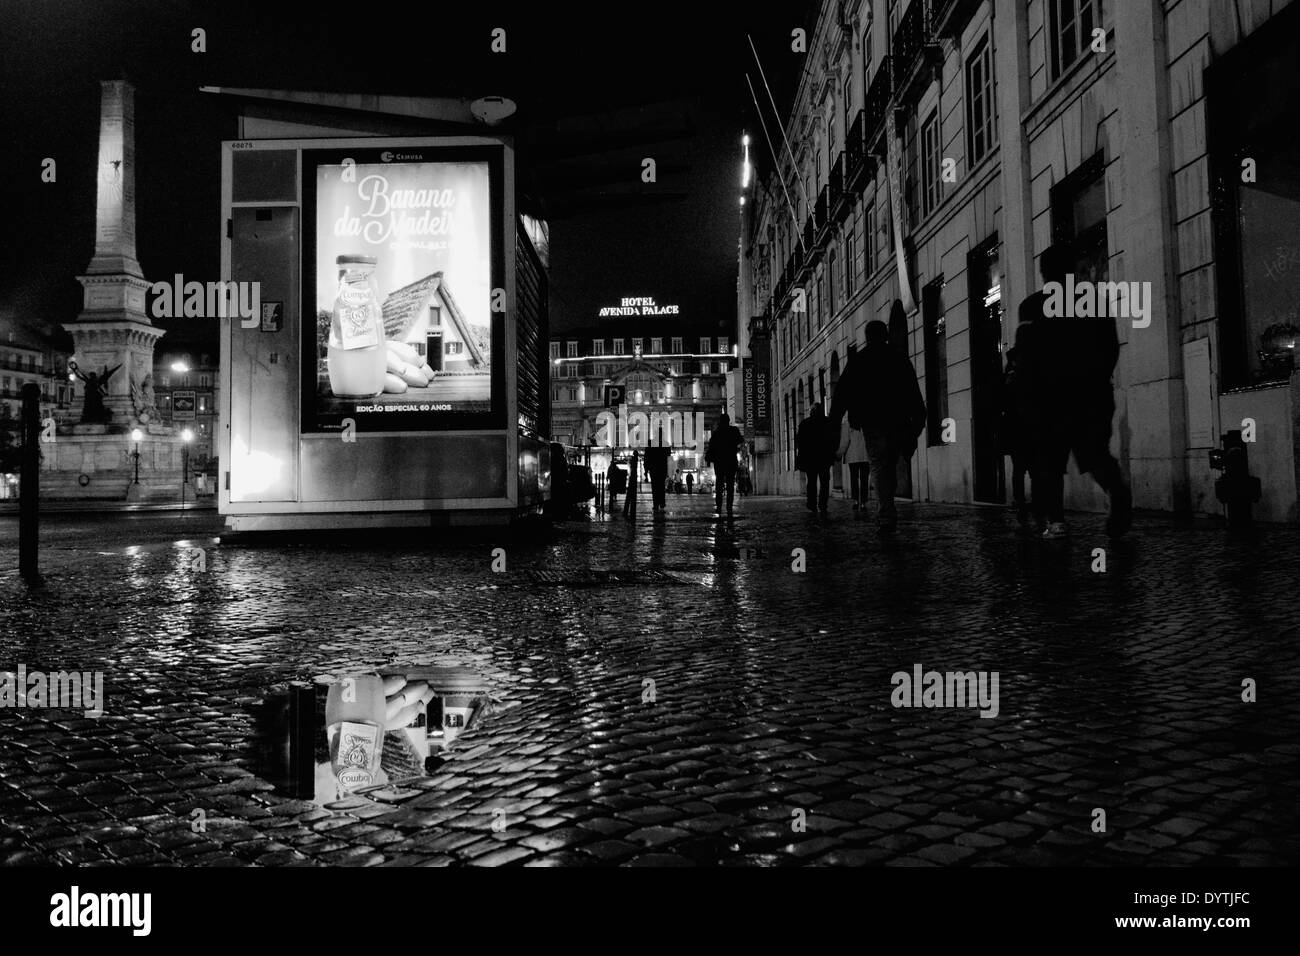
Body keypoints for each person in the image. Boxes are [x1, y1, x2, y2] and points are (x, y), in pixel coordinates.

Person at [1017, 244, 1133, 540]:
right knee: (1095, 455)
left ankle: (1056, 522)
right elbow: (1110, 348)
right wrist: (1096, 380)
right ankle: (1116, 491)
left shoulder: (1031, 306)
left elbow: (1026, 358)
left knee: (1049, 462)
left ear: (1044, 273)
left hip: (1049, 398)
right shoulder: (1094, 300)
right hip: (1091, 395)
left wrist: (1028, 397)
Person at [830, 316, 926, 532]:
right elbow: (912, 391)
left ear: (867, 337)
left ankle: (887, 510)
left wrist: (835, 421)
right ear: (885, 335)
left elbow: (842, 393)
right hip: (896, 421)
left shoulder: (859, 361)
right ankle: (887, 507)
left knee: (879, 464)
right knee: (888, 463)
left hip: (871, 422)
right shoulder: (898, 358)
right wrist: (917, 419)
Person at [999, 345, 1031, 518]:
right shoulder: (1010, 379)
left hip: (1020, 429)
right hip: (1018, 430)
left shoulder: (1014, 377)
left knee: (1023, 467)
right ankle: (1019, 500)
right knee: (1021, 467)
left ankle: (1021, 500)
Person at [796, 404, 836, 515]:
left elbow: (800, 442)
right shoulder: (827, 422)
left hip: (810, 459)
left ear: (811, 411)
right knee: (824, 483)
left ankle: (812, 504)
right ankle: (823, 505)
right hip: (824, 458)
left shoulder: (805, 423)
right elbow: (832, 440)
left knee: (811, 482)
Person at [706, 412, 743, 516]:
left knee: (719, 484)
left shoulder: (717, 432)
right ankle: (729, 507)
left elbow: (711, 446)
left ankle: (718, 506)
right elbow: (740, 440)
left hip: (719, 462)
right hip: (731, 460)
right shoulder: (733, 430)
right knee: (730, 485)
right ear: (728, 420)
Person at [838, 411, 869, 517]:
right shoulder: (867, 418)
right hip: (866, 454)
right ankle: (864, 502)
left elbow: (845, 440)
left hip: (853, 454)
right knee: (864, 479)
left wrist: (839, 453)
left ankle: (856, 500)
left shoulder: (847, 421)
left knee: (854, 478)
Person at [644, 431, 671, 517]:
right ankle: (661, 503)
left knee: (655, 487)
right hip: (662, 468)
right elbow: (668, 454)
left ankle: (656, 504)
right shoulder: (665, 443)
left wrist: (646, 469)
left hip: (653, 468)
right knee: (661, 486)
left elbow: (646, 457)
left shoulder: (650, 443)